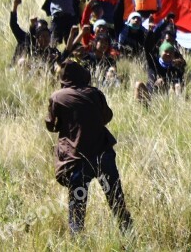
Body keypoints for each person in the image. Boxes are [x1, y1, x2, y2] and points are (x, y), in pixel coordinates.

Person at [45, 62, 132, 235]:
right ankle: (128, 234)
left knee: (77, 204)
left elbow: (51, 125)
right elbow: (107, 116)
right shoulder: (95, 93)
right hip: (103, 156)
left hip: (77, 160)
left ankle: (78, 242)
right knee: (115, 198)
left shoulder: (57, 97)